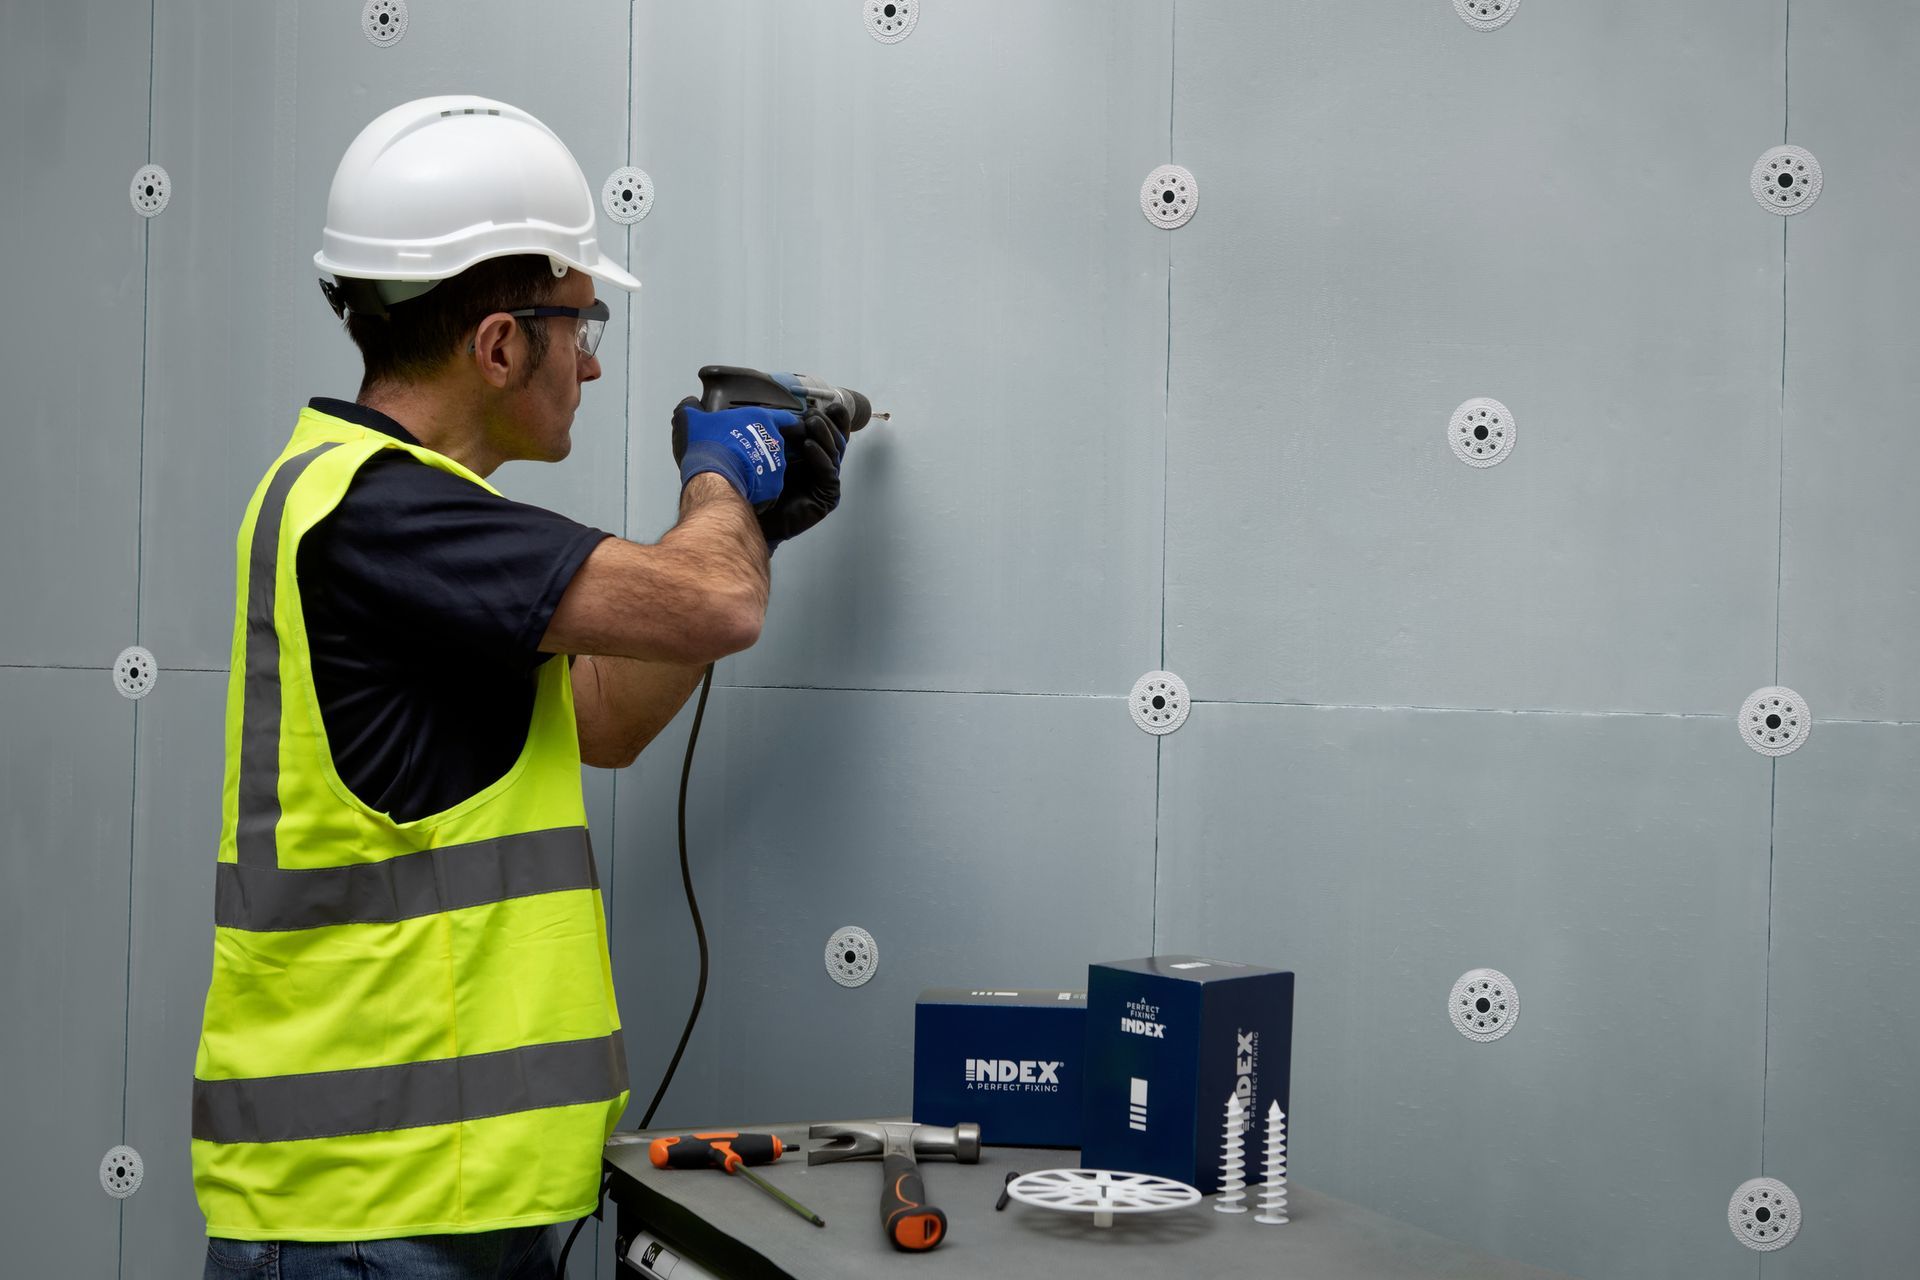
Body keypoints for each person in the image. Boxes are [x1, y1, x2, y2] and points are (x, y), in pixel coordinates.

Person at [191, 95, 848, 1280]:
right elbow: (716, 604)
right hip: (370, 1219)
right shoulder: (382, 510)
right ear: (499, 345)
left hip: (437, 1204)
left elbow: (604, 716)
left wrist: (748, 525)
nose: (591, 358)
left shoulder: (403, 521)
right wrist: (720, 482)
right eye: (580, 321)